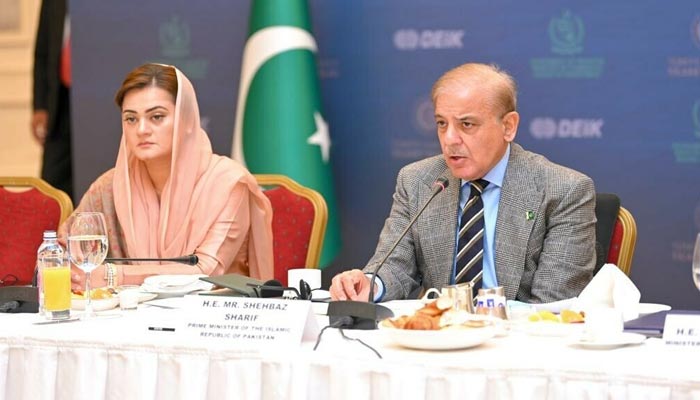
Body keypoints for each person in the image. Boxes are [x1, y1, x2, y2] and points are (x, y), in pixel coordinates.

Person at [330, 63, 596, 303]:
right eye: (441, 124)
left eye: (467, 124)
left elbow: (554, 303)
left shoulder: (564, 190)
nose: (449, 139)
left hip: (518, 346)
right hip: (439, 341)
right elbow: (395, 265)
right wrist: (370, 284)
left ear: (508, 127)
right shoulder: (418, 181)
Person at [59, 63, 274, 291]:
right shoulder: (109, 187)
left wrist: (116, 275)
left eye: (157, 117)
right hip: (134, 317)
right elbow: (62, 252)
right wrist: (60, 263)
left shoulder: (229, 184)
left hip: (214, 317)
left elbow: (205, 271)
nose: (141, 129)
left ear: (186, 120)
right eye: (131, 119)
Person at [31, 0, 74, 200]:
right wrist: (40, 106)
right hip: (60, 102)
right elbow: (42, 53)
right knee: (50, 187)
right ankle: (52, 233)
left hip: (97, 99)